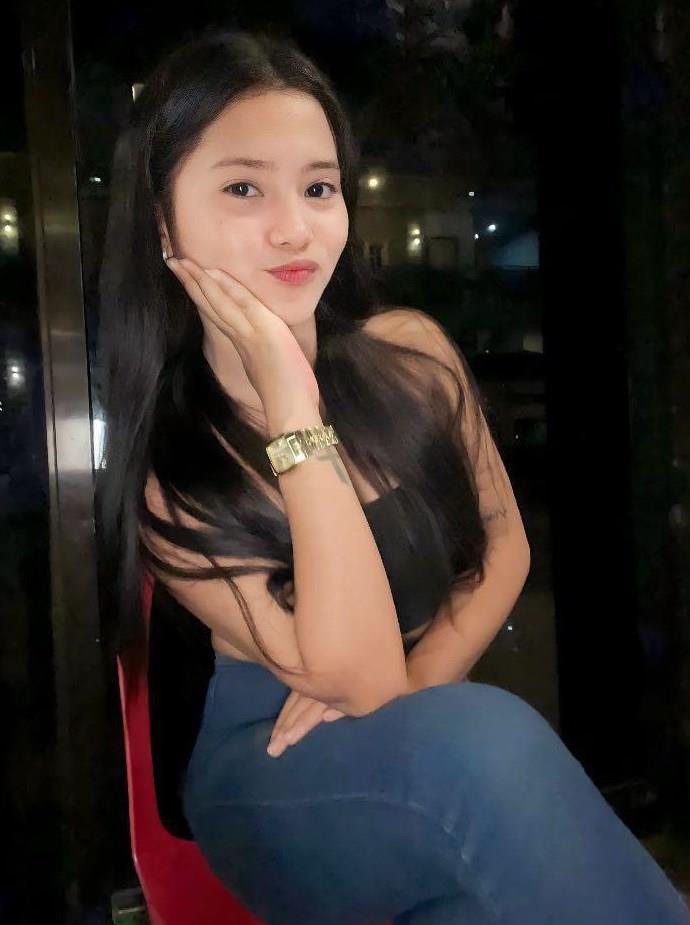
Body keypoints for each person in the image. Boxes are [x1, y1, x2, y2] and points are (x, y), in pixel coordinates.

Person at [96, 26, 690, 925]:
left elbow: (505, 549)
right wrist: (289, 401)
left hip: (423, 731)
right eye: (244, 187)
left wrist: (421, 692)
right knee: (487, 745)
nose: (295, 226)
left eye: (319, 186)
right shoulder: (176, 470)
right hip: (275, 769)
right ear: (161, 219)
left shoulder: (410, 354)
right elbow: (357, 679)